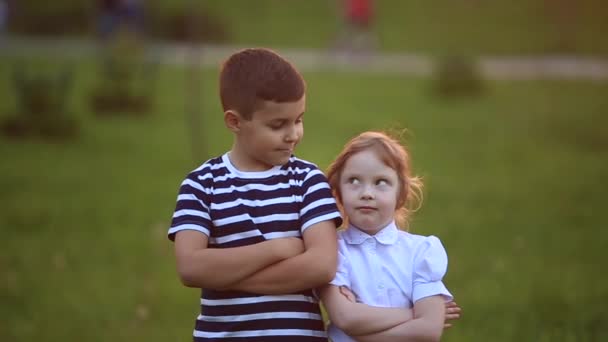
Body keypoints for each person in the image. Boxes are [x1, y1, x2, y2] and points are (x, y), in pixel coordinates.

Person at [168, 48, 343, 341]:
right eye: (278, 125)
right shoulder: (202, 184)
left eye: (298, 119)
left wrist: (226, 276)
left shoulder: (308, 180)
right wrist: (278, 249)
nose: (293, 134)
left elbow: (322, 265)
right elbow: (190, 267)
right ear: (235, 122)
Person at [320, 131, 459, 341]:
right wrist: (414, 314)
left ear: (401, 195)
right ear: (338, 192)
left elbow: (428, 331)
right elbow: (346, 318)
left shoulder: (421, 252)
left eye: (381, 182)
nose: (367, 193)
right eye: (354, 180)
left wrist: (361, 330)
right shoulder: (333, 249)